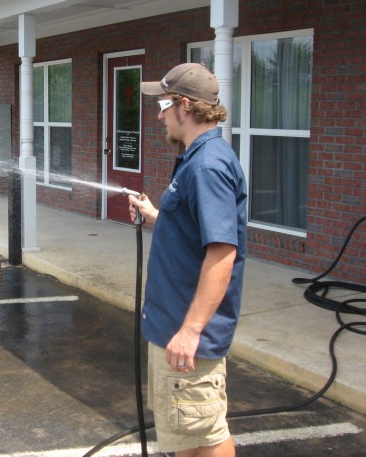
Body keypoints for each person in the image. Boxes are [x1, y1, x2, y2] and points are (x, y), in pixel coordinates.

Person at [128, 63, 247, 457]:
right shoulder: (198, 158)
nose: (159, 114)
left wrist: (191, 330)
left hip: (186, 335)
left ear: (184, 105)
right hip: (173, 327)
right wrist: (157, 217)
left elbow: (222, 252)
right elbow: (199, 232)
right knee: (190, 437)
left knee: (205, 439)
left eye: (163, 104)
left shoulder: (207, 166)